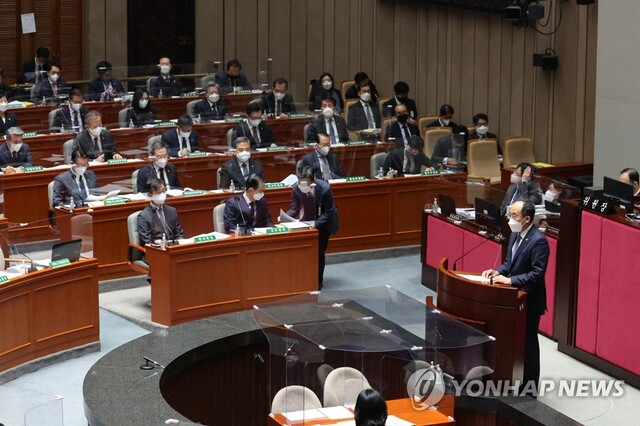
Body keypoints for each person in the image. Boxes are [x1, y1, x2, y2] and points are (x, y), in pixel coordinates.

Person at [482, 199, 550, 396]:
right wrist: (496, 271)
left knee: (528, 343)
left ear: (527, 219)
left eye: (514, 216)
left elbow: (537, 273)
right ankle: (516, 380)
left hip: (529, 299)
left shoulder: (539, 241)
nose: (510, 219)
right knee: (516, 341)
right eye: (510, 214)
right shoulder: (514, 234)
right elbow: (508, 263)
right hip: (513, 298)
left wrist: (510, 281)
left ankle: (531, 388)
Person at [286, 166, 339, 288]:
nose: (302, 186)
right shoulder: (296, 188)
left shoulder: (325, 188)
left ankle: (317, 281)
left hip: (324, 222)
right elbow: (294, 208)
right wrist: (285, 217)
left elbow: (329, 212)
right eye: (300, 183)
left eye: (305, 183)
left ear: (312, 181)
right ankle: (305, 278)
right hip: (307, 222)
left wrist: (316, 225)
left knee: (319, 251)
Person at [137, 178, 185, 246]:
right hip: (157, 251)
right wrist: (158, 244)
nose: (162, 195)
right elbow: (147, 242)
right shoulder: (143, 216)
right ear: (149, 195)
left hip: (173, 248)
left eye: (163, 191)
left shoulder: (172, 211)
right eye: (158, 192)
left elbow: (179, 235)